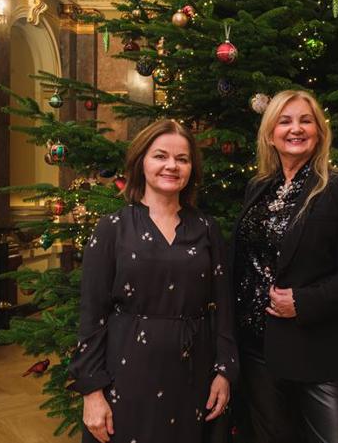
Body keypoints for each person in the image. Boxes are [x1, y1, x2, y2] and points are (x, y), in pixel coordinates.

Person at [68, 119, 238, 443]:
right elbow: (92, 316)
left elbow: (224, 308)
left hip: (195, 377)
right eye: (161, 156)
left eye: (182, 159)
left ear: (191, 169)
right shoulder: (112, 228)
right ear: (141, 162)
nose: (171, 165)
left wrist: (224, 372)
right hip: (126, 376)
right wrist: (92, 392)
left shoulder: (207, 228)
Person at [232, 90, 338, 443]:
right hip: (256, 349)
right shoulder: (258, 187)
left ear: (319, 132)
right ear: (270, 134)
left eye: (306, 121)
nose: (296, 129)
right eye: (285, 121)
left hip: (317, 350)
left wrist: (303, 302)